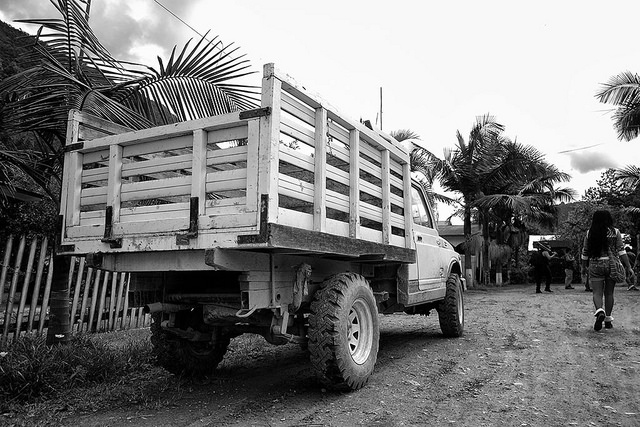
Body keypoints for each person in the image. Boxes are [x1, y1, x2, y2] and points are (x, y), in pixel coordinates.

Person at [581, 210, 635, 331]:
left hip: (595, 263)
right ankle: (608, 319)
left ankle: (600, 311)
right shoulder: (615, 232)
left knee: (597, 292)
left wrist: (583, 267)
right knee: (609, 293)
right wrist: (628, 266)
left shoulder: (590, 233)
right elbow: (621, 251)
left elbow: (585, 252)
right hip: (612, 264)